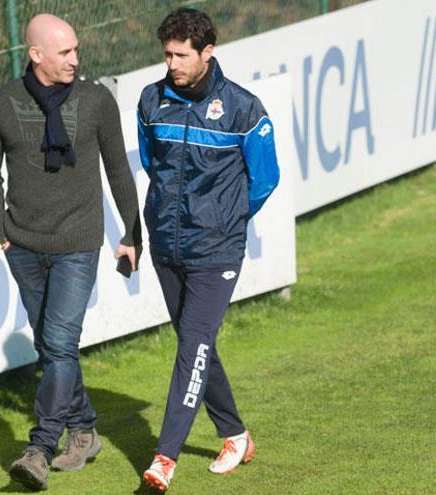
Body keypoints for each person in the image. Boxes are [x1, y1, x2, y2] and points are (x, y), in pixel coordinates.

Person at [0, 13, 142, 491]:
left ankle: (40, 448)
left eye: (75, 49)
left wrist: (132, 233)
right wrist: (1, 232)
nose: (75, 59)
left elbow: (118, 171)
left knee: (61, 343)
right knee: (51, 347)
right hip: (23, 245)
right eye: (65, 52)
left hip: (78, 242)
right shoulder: (0, 105)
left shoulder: (96, 100)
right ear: (36, 55)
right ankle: (85, 428)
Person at [136, 7, 280, 492]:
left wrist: (226, 220)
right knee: (196, 346)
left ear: (207, 52)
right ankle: (235, 435)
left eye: (181, 55)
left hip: (216, 252)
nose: (172, 63)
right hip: (166, 246)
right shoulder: (150, 101)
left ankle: (165, 458)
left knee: (192, 348)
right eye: (167, 54)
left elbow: (265, 179)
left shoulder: (244, 108)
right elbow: (152, 162)